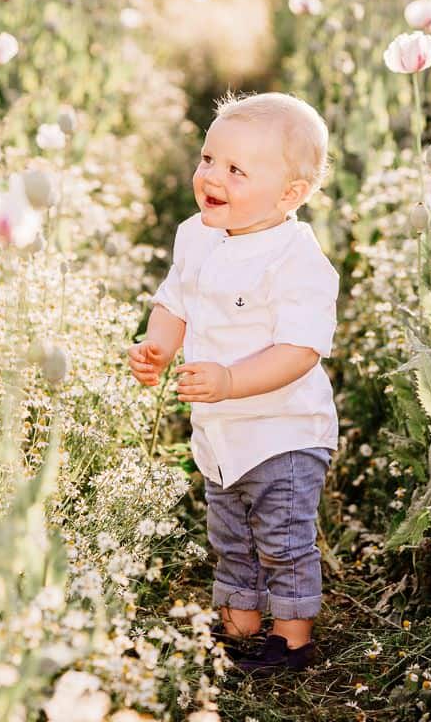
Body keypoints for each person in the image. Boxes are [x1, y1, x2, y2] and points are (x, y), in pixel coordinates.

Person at [128, 91, 339, 674]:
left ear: (290, 194)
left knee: (282, 540)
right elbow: (175, 301)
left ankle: (291, 640)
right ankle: (238, 627)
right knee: (231, 535)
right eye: (208, 159)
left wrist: (228, 379)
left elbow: (299, 351)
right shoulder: (196, 235)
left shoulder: (296, 260)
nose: (212, 178)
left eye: (236, 170)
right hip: (222, 433)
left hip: (283, 434)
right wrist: (157, 348)